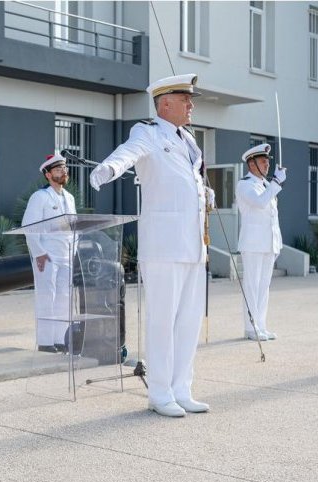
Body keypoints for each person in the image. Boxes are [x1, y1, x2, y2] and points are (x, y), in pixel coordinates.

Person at [89, 74, 214, 418]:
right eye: (185, 99)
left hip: (193, 245)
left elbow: (192, 181)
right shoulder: (148, 132)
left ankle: (181, 389)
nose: (191, 105)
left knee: (189, 322)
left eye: (191, 100)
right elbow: (129, 154)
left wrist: (206, 195)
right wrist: (109, 168)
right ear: (165, 104)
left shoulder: (189, 139)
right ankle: (160, 394)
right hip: (163, 245)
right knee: (163, 321)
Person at [22, 153, 77, 353]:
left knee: (64, 297)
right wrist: (39, 253)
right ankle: (45, 342)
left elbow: (74, 227)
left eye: (64, 169)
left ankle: (61, 339)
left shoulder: (69, 198)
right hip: (48, 256)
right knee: (47, 297)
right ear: (47, 174)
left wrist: (74, 250)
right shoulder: (40, 197)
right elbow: (29, 227)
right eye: (57, 169)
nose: (63, 172)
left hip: (66, 254)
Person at [235, 143, 286, 341]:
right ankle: (250, 328)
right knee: (252, 286)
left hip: (268, 243)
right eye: (263, 162)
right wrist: (276, 184)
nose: (267, 165)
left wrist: (277, 243)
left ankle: (261, 325)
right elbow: (259, 202)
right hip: (253, 243)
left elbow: (273, 216)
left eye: (267, 162)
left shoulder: (266, 185)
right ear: (251, 164)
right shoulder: (245, 184)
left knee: (264, 286)